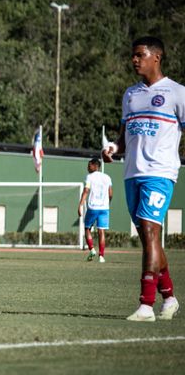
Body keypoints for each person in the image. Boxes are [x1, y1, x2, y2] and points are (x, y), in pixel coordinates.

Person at [103, 36, 183, 322]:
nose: (134, 60)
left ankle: (146, 305)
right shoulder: (130, 95)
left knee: (149, 231)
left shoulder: (177, 93)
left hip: (160, 174)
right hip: (132, 174)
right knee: (150, 239)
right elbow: (123, 139)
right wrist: (113, 148)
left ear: (156, 57)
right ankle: (170, 298)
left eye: (140, 55)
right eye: (133, 56)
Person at [77, 158, 113, 263]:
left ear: (95, 166)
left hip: (93, 207)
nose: (87, 167)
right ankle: (101, 256)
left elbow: (86, 191)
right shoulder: (107, 177)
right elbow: (110, 194)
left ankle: (92, 249)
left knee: (87, 228)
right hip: (104, 208)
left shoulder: (89, 177)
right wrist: (107, 203)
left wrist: (80, 205)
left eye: (89, 165)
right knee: (101, 231)